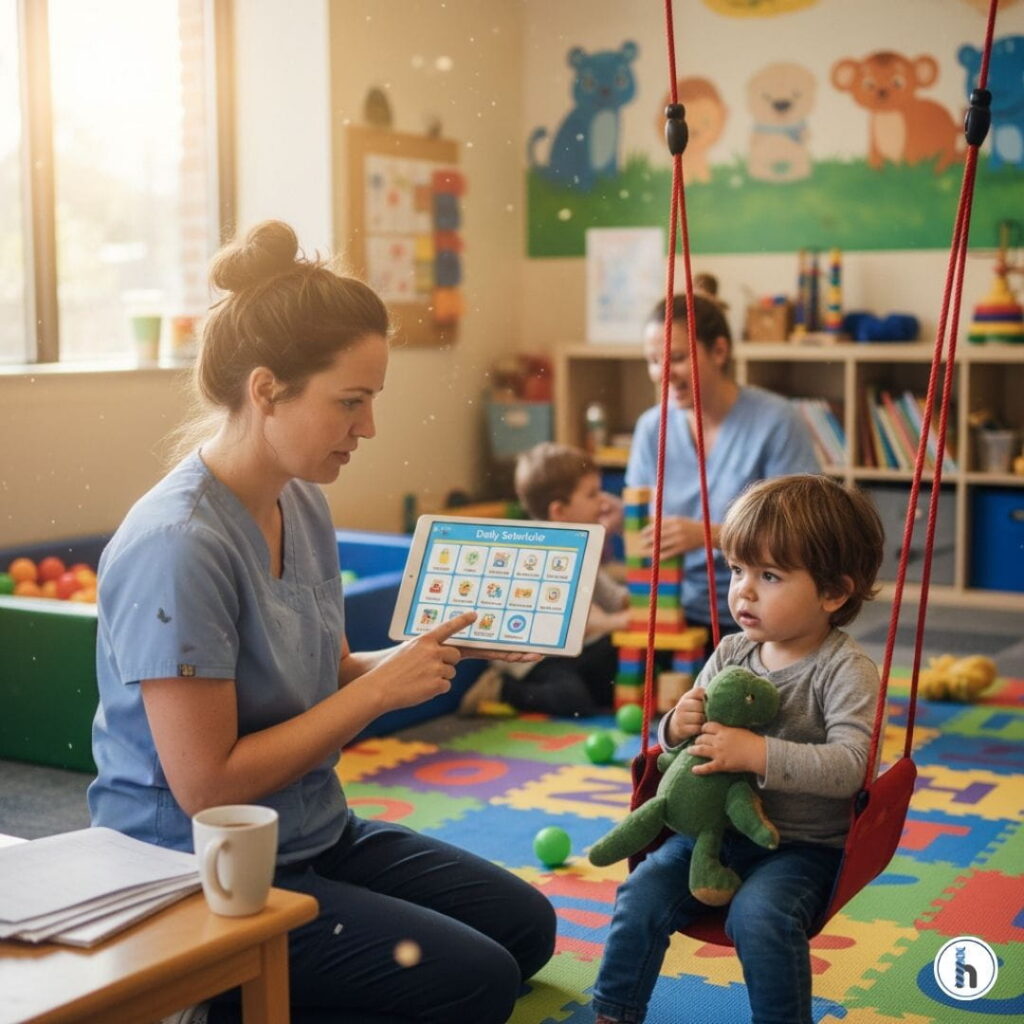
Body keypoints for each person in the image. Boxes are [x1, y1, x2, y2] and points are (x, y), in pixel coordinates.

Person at [88, 220, 556, 1024]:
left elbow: (327, 671)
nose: (367, 428)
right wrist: (379, 696)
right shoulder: (179, 545)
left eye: (372, 400)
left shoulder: (300, 498)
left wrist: (422, 654)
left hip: (309, 831)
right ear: (267, 389)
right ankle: (219, 992)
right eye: (351, 401)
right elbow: (208, 787)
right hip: (201, 866)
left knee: (526, 928)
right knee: (476, 982)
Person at [591, 473, 885, 1024]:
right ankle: (614, 1011)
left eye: (769, 575)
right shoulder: (730, 652)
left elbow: (852, 767)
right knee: (639, 894)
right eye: (737, 570)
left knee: (759, 917)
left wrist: (756, 753)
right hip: (711, 833)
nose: (743, 590)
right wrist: (673, 727)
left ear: (833, 592)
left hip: (803, 849)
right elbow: (684, 749)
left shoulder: (846, 671)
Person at [627, 293, 821, 649]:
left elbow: (800, 533)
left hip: (760, 612)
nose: (663, 373)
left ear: (719, 351)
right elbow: (641, 518)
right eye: (653, 361)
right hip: (674, 609)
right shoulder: (651, 428)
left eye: (677, 358)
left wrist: (708, 535)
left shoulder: (776, 421)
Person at [458, 442, 630, 717]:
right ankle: (501, 689)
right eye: (592, 494)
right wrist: (617, 621)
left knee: (621, 660)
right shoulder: (540, 555)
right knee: (573, 700)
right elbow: (567, 623)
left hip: (572, 653)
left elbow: (613, 597)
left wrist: (646, 602)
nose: (603, 500)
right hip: (532, 660)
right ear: (559, 511)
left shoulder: (580, 543)